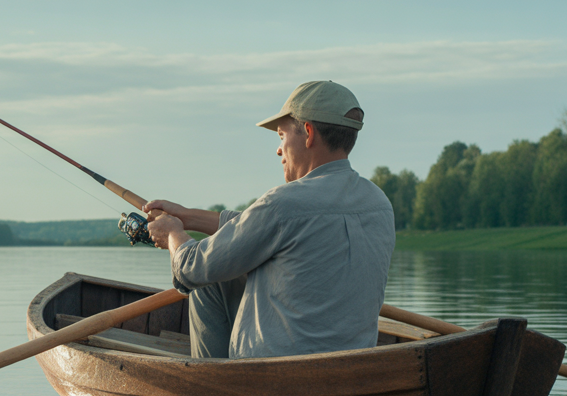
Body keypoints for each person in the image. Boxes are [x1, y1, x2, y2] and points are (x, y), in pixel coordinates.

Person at [144, 80, 395, 359]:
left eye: (281, 136)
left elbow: (191, 268)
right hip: (354, 369)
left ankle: (212, 386)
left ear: (309, 133)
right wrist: (186, 217)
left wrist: (172, 234)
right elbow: (260, 226)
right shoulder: (379, 204)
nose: (278, 150)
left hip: (271, 378)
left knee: (208, 279)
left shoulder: (284, 203)